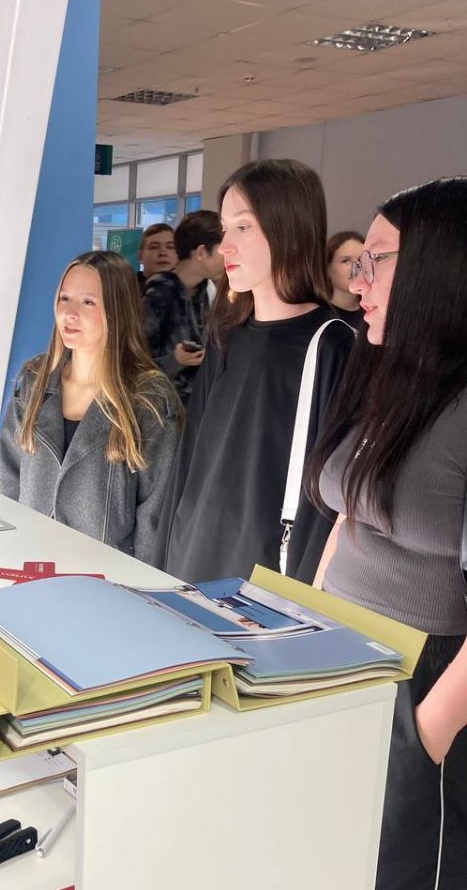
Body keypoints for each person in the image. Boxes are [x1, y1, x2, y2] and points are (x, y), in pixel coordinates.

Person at [295, 178, 467, 890]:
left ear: (440, 269)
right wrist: (305, 634)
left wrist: (424, 733)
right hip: (346, 665)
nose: (356, 277)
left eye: (376, 259)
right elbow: (348, 518)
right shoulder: (393, 376)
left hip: (425, 688)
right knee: (334, 885)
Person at [156, 159, 353, 583]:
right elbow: (191, 459)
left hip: (265, 577)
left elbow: (325, 498)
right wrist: (163, 563)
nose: (225, 246)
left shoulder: (331, 345)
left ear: (287, 227)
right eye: (224, 229)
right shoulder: (225, 336)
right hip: (193, 557)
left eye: (243, 227)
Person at [0, 250, 181, 565]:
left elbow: (155, 512)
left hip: (106, 574)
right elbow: (8, 480)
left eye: (88, 302)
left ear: (117, 309)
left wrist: (143, 583)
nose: (70, 313)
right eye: (64, 298)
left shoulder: (148, 399)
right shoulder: (33, 380)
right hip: (30, 563)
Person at [141, 209, 225, 402]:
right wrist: (175, 360)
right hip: (163, 407)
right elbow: (135, 362)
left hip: (198, 403)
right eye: (221, 250)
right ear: (201, 252)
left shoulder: (206, 291)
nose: (227, 256)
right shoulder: (159, 294)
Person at [326, 230, 365, 330]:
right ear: (327, 268)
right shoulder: (318, 315)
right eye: (346, 261)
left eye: (361, 260)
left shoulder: (375, 309)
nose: (356, 266)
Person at [136, 222, 177, 291]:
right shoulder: (127, 290)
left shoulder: (187, 292)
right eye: (154, 247)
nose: (163, 253)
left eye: (170, 247)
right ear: (140, 255)